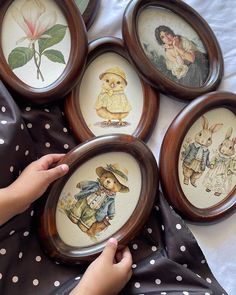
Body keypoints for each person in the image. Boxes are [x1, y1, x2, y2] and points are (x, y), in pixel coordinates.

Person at [0, 153, 132, 295]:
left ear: (116, 188)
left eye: (113, 182)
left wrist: (13, 197)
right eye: (107, 177)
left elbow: (111, 209)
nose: (107, 182)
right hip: (84, 202)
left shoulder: (110, 199)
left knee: (88, 218)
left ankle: (83, 224)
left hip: (94, 211)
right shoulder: (95, 185)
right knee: (78, 208)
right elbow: (87, 185)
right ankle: (75, 216)